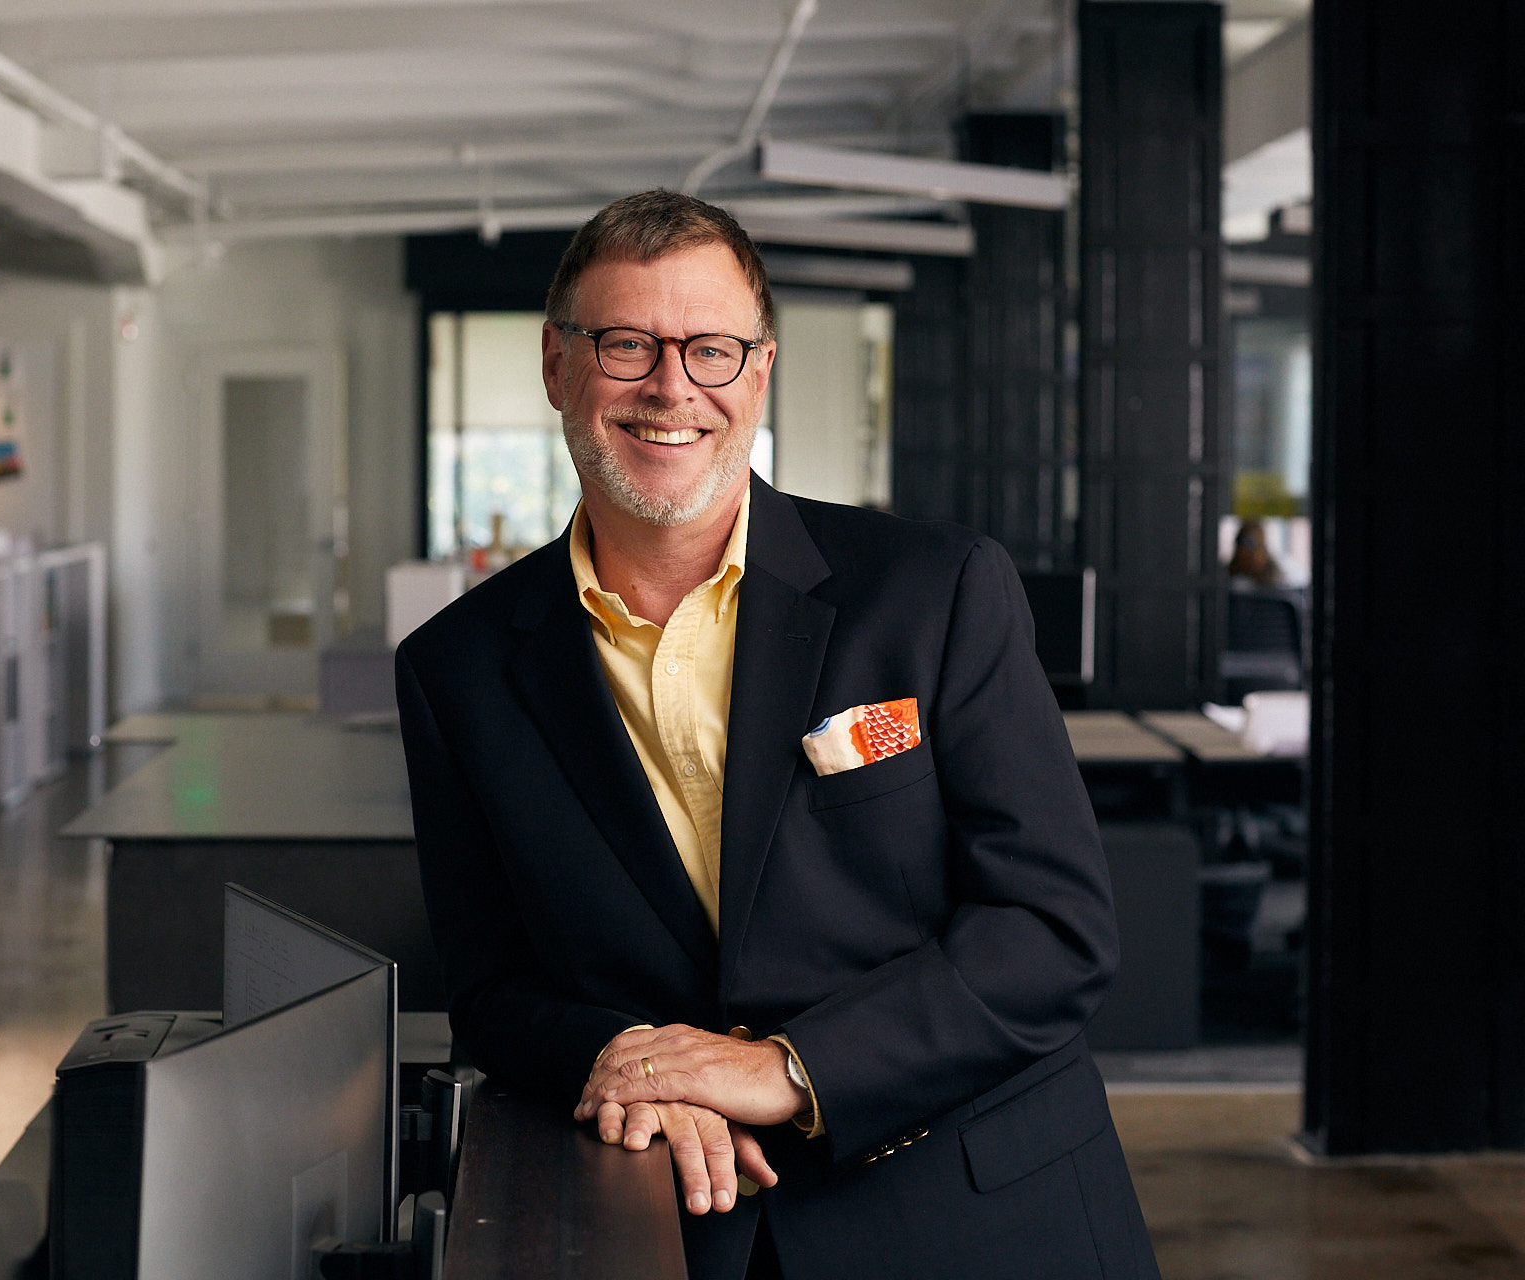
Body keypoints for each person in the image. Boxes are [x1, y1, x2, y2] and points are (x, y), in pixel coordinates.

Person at [395, 191, 1158, 1279]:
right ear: (558, 366)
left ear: (758, 374)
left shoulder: (934, 591)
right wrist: (626, 1059)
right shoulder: (456, 669)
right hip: (690, 1227)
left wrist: (790, 1069)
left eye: (711, 349)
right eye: (626, 345)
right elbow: (489, 988)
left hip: (985, 1215)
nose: (672, 387)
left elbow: (1054, 928)